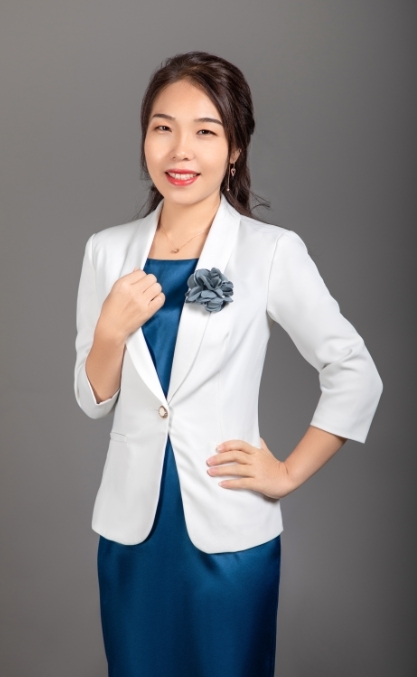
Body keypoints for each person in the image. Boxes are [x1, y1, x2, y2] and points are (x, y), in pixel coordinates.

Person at [74, 51, 383, 677]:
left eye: (206, 131)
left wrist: (287, 473)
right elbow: (93, 399)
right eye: (163, 127)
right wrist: (109, 330)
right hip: (131, 534)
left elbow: (355, 373)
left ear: (235, 148)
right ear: (144, 138)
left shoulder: (269, 251)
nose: (180, 150)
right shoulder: (106, 251)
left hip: (228, 533)